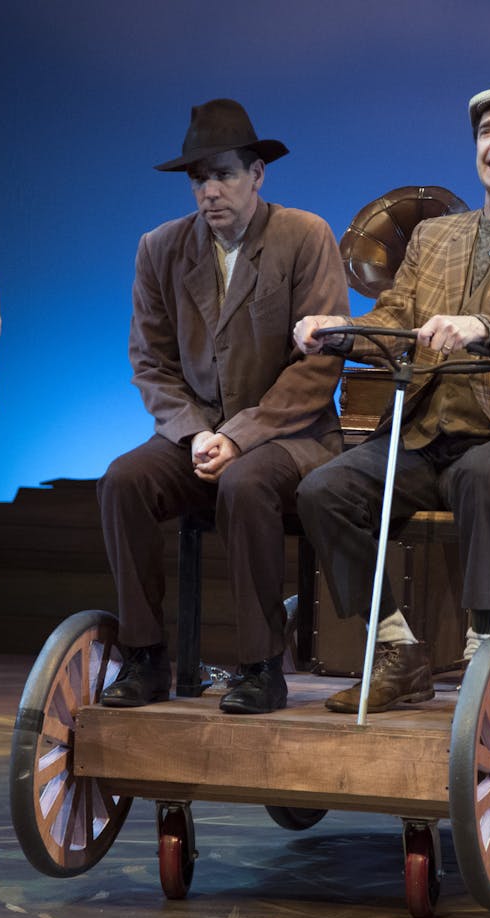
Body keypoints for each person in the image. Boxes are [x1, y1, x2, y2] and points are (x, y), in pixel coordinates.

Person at [293, 87, 490, 714]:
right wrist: (337, 330)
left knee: (486, 476)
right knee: (322, 491)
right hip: (421, 435)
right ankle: (395, 647)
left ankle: (484, 649)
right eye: (487, 131)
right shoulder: (435, 236)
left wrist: (481, 327)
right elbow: (395, 321)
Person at [97, 99, 348, 716]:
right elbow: (151, 364)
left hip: (292, 436)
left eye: (225, 174)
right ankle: (145, 654)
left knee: (244, 481)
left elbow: (320, 364)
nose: (210, 191)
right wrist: (193, 436)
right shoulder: (160, 248)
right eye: (199, 178)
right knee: (123, 481)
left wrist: (238, 436)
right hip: (197, 437)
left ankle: (261, 666)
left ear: (258, 175)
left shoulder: (303, 235)